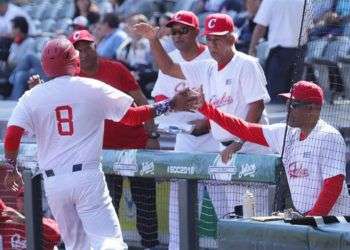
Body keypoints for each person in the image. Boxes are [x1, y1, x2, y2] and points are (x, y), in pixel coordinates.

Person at [3, 37, 197, 250]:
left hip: (54, 182)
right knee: (109, 242)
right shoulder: (91, 86)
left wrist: (12, 168)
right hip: (86, 177)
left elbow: (12, 135)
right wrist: (169, 105)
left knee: (77, 246)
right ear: (73, 60)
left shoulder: (32, 96)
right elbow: (132, 117)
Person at [193, 80, 350, 215]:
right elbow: (244, 129)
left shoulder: (328, 136)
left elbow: (333, 185)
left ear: (311, 109)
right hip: (310, 219)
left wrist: (313, 221)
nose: (288, 109)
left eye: (293, 105)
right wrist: (206, 108)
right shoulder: (286, 133)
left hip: (333, 221)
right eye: (287, 104)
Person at [133, 13, 271, 160]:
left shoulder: (246, 64)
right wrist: (153, 40)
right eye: (209, 39)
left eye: (217, 39)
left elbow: (257, 107)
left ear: (231, 39)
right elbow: (169, 68)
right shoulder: (208, 67)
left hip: (252, 147)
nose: (212, 45)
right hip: (224, 147)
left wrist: (239, 142)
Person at [68, 29, 160, 249]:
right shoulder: (71, 79)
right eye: (78, 50)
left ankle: (150, 246)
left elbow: (141, 100)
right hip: (103, 154)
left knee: (146, 205)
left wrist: (152, 135)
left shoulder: (116, 68)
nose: (84, 53)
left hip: (136, 146)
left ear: (95, 46)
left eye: (87, 47)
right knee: (108, 208)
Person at [151, 10, 221, 250]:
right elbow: (160, 95)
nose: (178, 35)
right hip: (185, 138)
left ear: (196, 32)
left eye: (184, 30)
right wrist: (170, 109)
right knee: (178, 210)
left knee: (226, 208)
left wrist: (209, 123)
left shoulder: (211, 59)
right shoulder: (168, 59)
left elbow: (226, 102)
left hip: (215, 139)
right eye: (173, 31)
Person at [248, 0, 312, 103]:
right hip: (300, 50)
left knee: (275, 96)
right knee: (292, 98)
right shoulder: (305, 1)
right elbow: (308, 28)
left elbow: (260, 27)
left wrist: (252, 48)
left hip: (279, 53)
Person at [116, 14, 156, 98]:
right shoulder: (126, 43)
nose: (129, 26)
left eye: (132, 24)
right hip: (131, 76)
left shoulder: (148, 43)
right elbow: (120, 58)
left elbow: (147, 66)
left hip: (146, 80)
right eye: (129, 24)